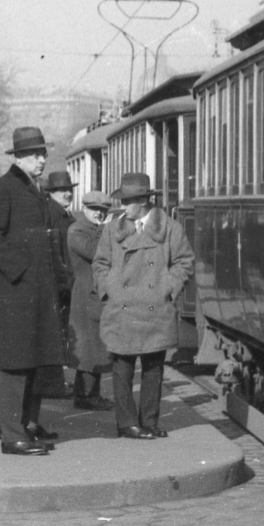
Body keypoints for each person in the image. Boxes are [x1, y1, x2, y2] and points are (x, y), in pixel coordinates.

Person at [0, 127, 68, 456]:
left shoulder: (33, 190)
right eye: (34, 155)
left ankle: (23, 428)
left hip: (35, 292)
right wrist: (22, 269)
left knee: (30, 362)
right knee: (16, 363)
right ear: (18, 157)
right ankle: (12, 435)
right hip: (17, 291)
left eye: (43, 154)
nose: (42, 159)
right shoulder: (3, 189)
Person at [93, 173, 194, 440]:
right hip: (121, 308)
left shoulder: (170, 228)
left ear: (142, 201)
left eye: (127, 202)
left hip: (155, 308)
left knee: (153, 369)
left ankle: (148, 422)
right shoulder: (112, 229)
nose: (122, 207)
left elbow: (184, 262)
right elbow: (100, 263)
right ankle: (127, 424)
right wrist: (110, 290)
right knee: (122, 369)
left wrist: (167, 290)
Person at [67, 190, 115, 410]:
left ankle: (89, 394)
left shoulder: (91, 228)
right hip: (85, 292)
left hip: (95, 292)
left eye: (103, 210)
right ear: (85, 208)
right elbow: (93, 251)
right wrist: (105, 228)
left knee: (96, 345)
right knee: (87, 346)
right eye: (95, 210)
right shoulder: (77, 230)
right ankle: (85, 396)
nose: (99, 214)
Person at [36, 170, 78, 400]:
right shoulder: (53, 214)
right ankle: (54, 385)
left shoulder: (61, 213)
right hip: (60, 282)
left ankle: (56, 383)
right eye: (62, 190)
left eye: (69, 190)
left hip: (63, 280)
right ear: (51, 193)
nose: (68, 194)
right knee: (57, 333)